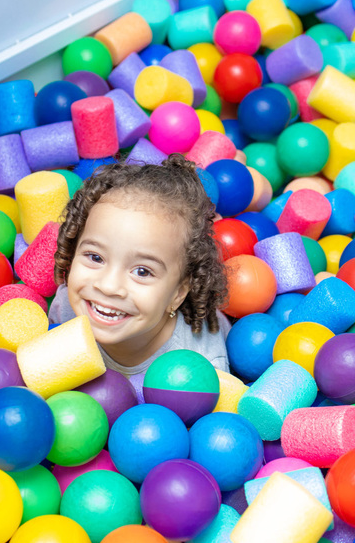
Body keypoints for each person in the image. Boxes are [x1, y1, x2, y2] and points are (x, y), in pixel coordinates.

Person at [48, 154, 230, 392]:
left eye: (142, 272)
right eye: (95, 257)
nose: (108, 286)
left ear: (178, 293)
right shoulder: (66, 310)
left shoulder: (201, 368)